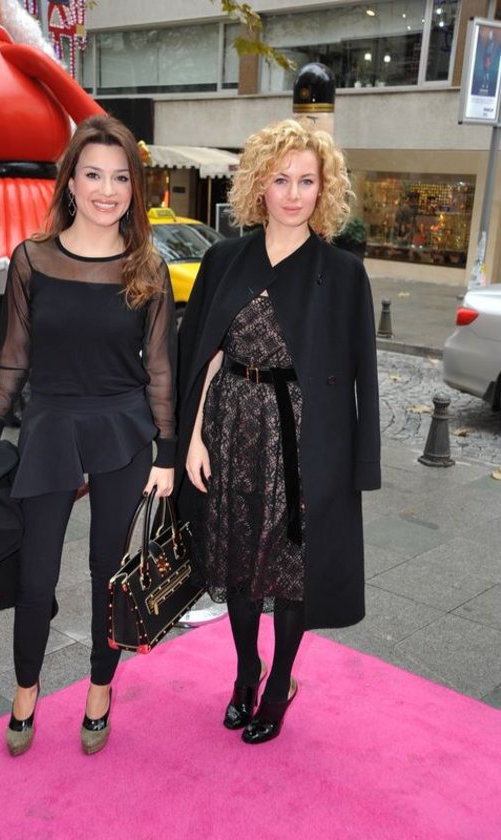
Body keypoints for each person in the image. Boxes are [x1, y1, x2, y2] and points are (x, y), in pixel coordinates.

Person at [176, 118, 380, 744]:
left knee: (291, 568)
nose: (293, 194)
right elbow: (203, 354)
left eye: (306, 181)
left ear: (325, 189)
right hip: (230, 428)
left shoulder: (342, 272)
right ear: (259, 184)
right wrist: (191, 438)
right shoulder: (223, 259)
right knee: (237, 563)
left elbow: (363, 376)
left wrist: (356, 465)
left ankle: (279, 683)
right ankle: (247, 672)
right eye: (281, 179)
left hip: (303, 441)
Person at [0, 114, 176, 756]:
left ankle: (100, 687)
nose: (106, 190)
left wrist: (167, 452)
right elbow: (14, 355)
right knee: (35, 574)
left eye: (120, 177)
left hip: (124, 428)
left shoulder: (147, 267)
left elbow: (160, 368)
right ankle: (26, 689)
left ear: (134, 188)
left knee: (106, 573)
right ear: (70, 182)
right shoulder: (32, 259)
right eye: (93, 174)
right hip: (49, 425)